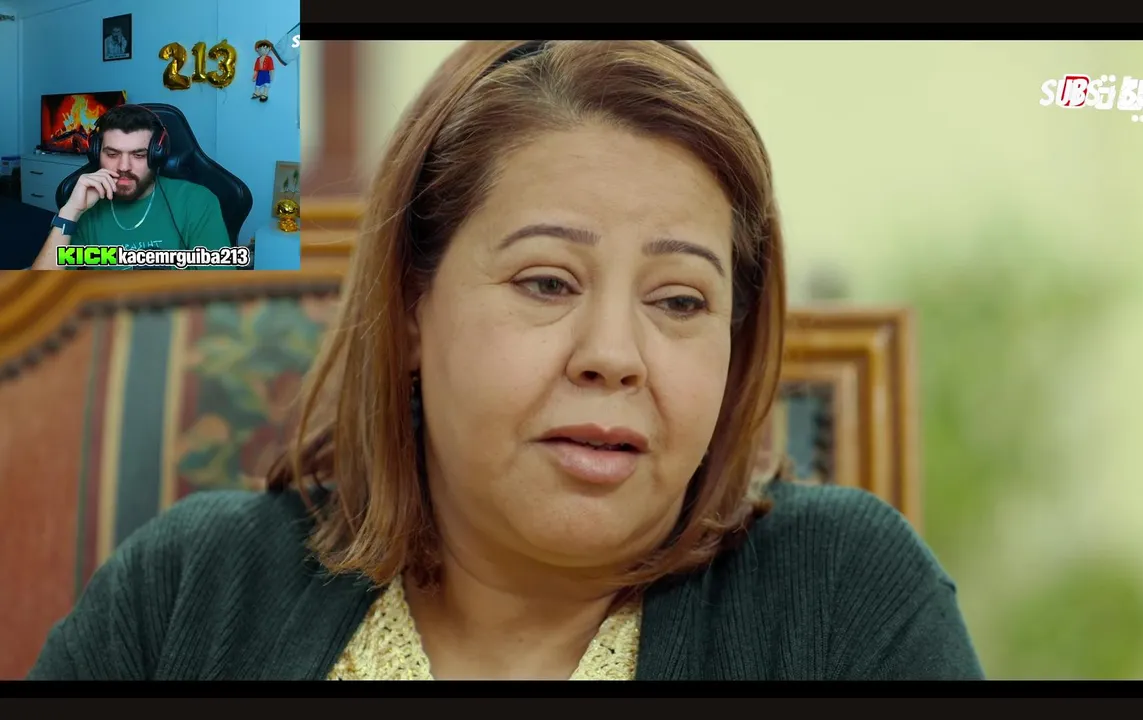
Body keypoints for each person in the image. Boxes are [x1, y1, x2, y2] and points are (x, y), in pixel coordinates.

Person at [26, 40, 984, 680]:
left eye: (680, 301)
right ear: (412, 306)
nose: (613, 357)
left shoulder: (845, 598)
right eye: (547, 282)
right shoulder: (192, 591)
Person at [30, 104, 232, 270]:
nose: (124, 167)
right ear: (96, 154)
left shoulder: (197, 201)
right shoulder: (85, 208)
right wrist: (70, 212)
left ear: (156, 156)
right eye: (112, 154)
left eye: (138, 155)